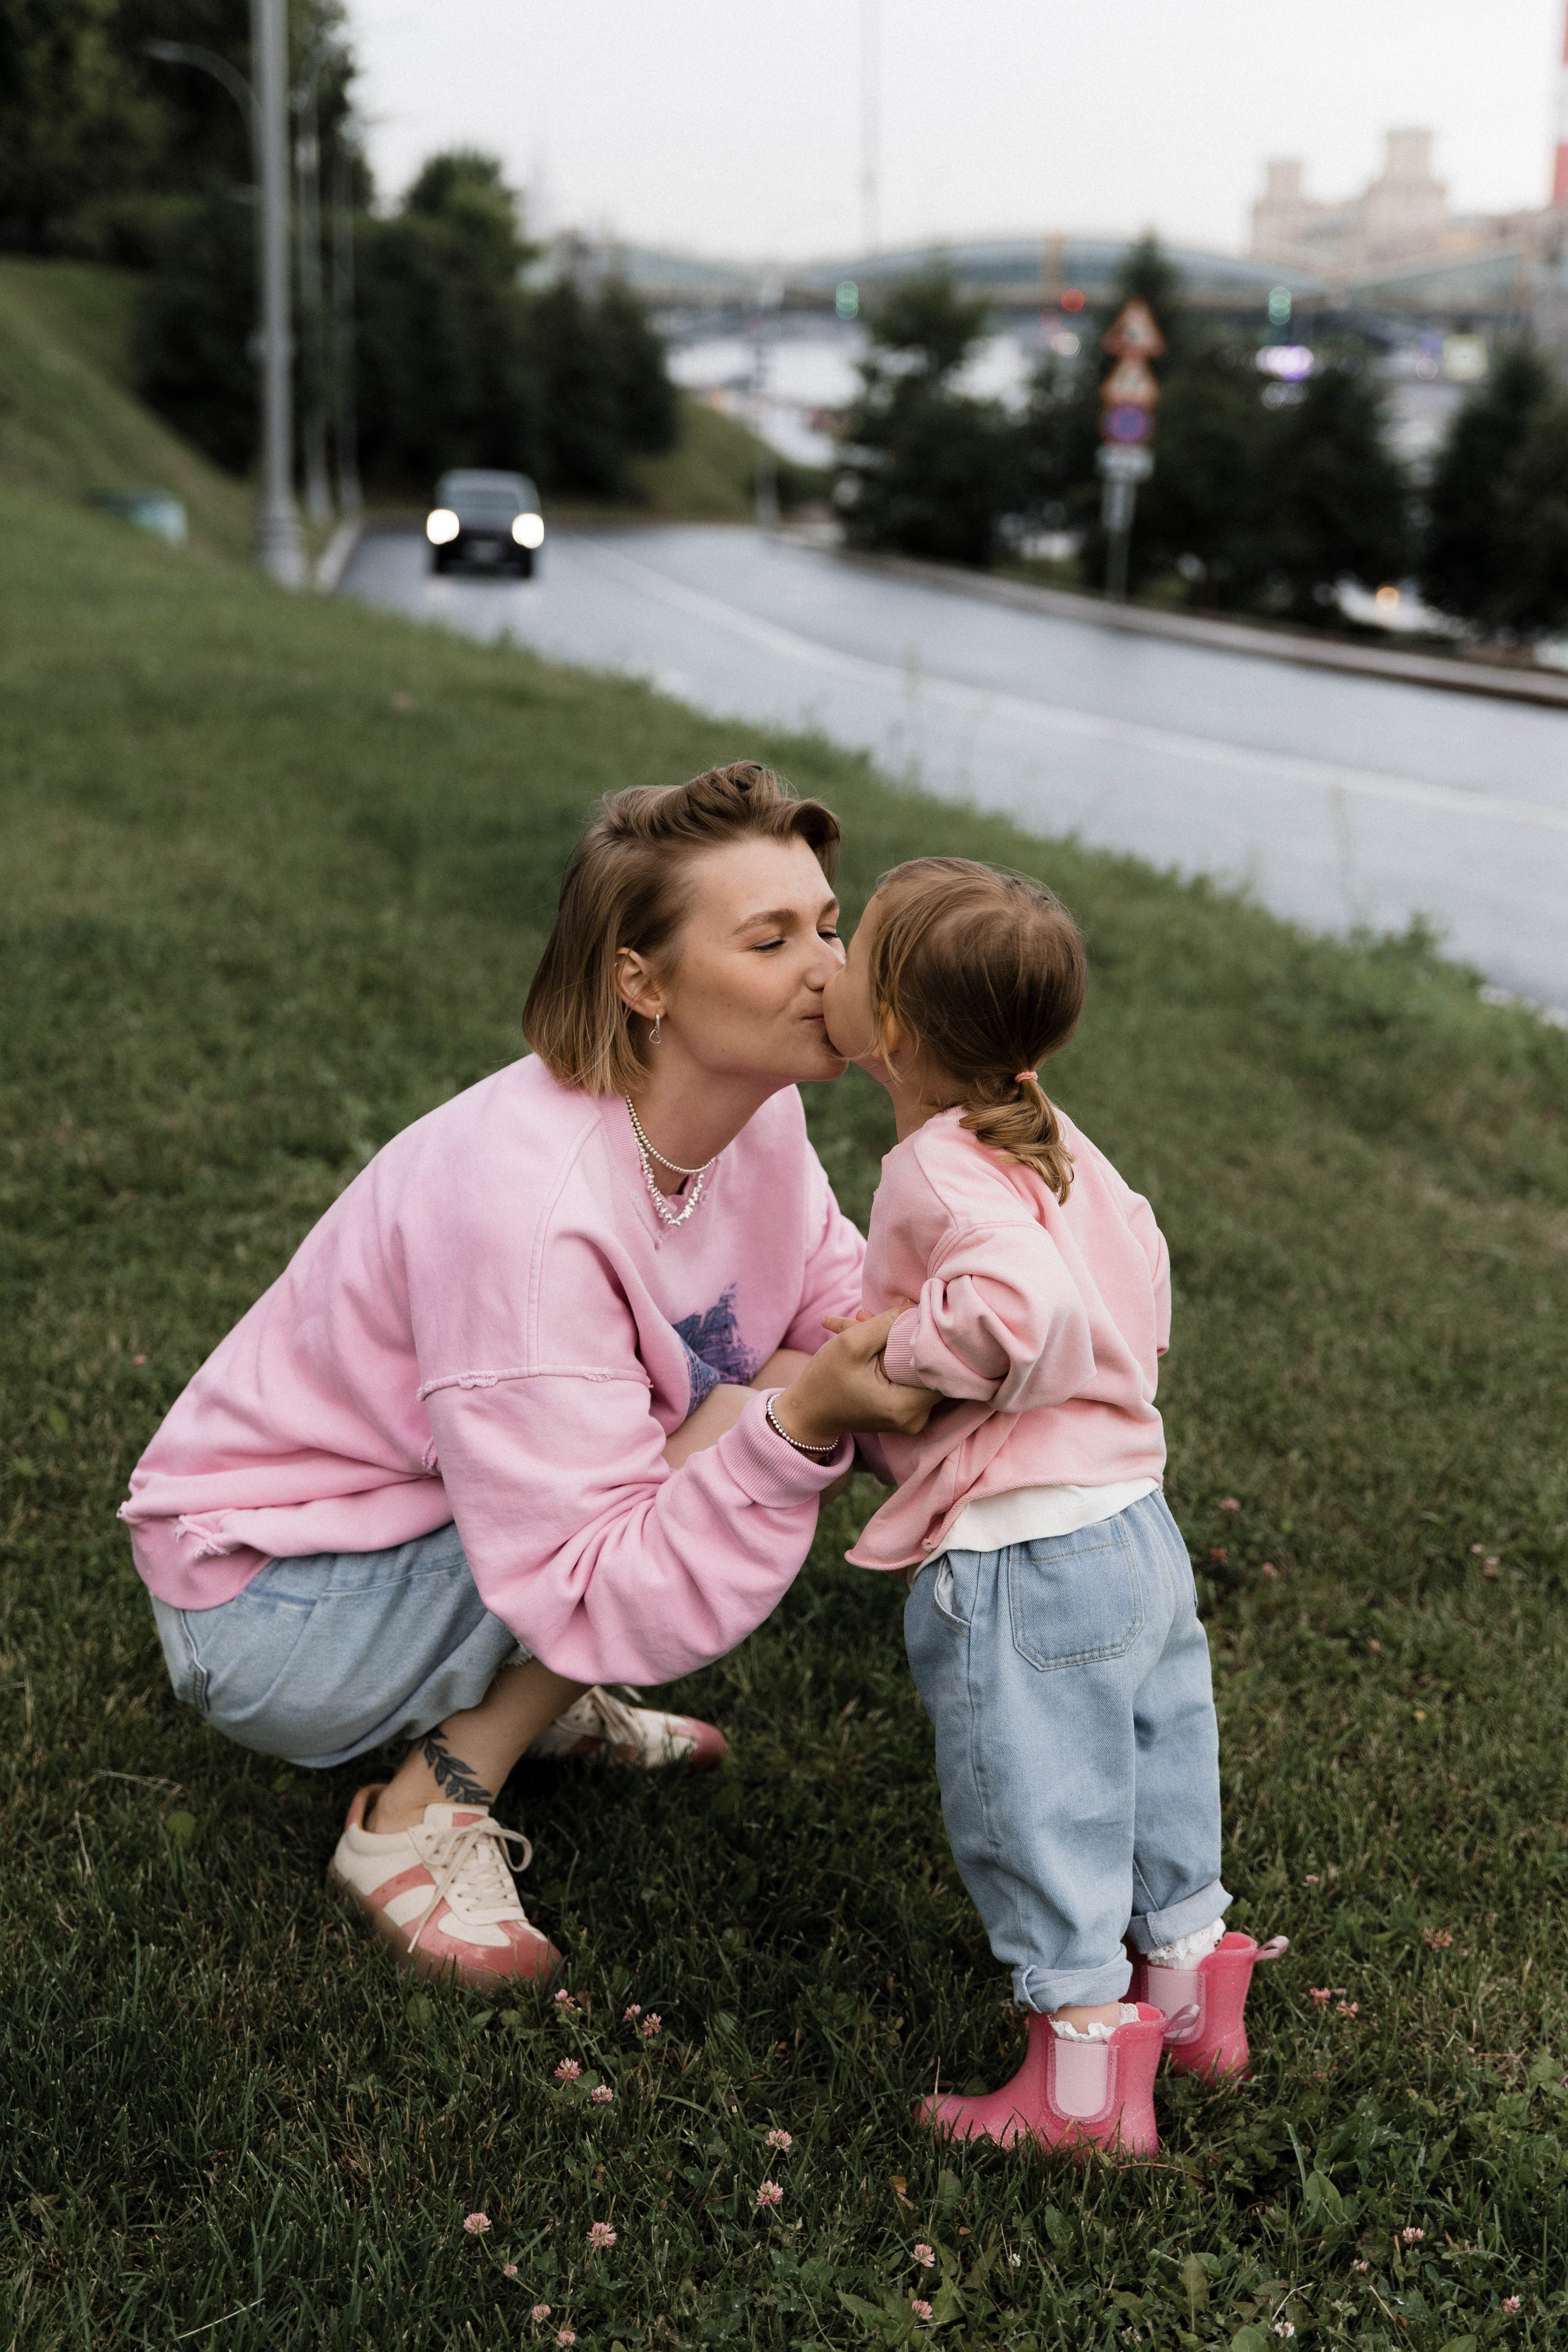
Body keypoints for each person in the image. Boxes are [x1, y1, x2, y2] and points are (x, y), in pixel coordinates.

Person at [121, 764, 933, 1993]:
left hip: (431, 1520)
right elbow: (622, 1533)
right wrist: (793, 1420)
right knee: (752, 1432)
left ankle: (523, 1685)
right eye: (770, 941)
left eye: (829, 926)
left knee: (763, 1411)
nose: (831, 969)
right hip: (272, 1608)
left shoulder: (753, 1117)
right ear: (642, 984)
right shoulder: (530, 1207)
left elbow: (841, 1316)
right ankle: (422, 1810)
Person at [821, 856, 1285, 2157]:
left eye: (852, 947)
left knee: (1040, 1804)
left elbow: (1015, 1307)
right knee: (1157, 1765)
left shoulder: (936, 1165)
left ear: (890, 1024)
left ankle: (1079, 2095)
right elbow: (1139, 1248)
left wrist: (904, 1353)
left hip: (1024, 1551)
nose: (829, 961)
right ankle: (1192, 2010)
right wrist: (1119, 1364)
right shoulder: (1046, 1125)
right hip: (1133, 1524)